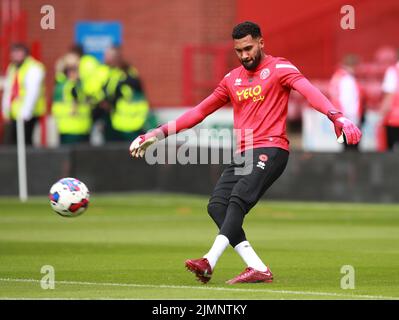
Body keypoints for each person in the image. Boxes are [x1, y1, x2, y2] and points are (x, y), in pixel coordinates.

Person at [129, 21, 362, 284]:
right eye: (239, 51)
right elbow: (199, 112)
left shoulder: (280, 68)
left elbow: (310, 91)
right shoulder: (232, 79)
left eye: (248, 48)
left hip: (271, 148)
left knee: (238, 197)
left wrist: (337, 116)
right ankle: (257, 267)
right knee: (216, 206)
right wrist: (156, 134)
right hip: (243, 153)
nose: (244, 55)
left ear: (261, 43)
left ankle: (209, 260)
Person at [99, 46, 149, 142]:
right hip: (113, 117)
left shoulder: (129, 73)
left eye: (108, 56)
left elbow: (132, 92)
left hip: (129, 119)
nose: (105, 58)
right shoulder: (106, 71)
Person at [1, 43, 46, 145]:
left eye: (19, 52)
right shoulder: (12, 67)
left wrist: (26, 112)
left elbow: (32, 92)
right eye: (14, 52)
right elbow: (9, 90)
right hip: (14, 113)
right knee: (14, 142)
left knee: (26, 141)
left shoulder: (34, 68)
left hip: (28, 114)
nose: (16, 55)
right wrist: (6, 110)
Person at [51, 53, 92, 144]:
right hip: (71, 129)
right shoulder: (67, 85)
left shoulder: (80, 84)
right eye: (72, 69)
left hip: (82, 129)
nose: (76, 72)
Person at [329, 54, 363, 151]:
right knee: (352, 148)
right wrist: (354, 120)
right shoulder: (347, 79)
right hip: (349, 118)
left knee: (346, 146)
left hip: (340, 117)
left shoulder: (337, 77)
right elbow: (349, 101)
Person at [380, 56, 399, 151]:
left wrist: (381, 114)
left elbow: (389, 95)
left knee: (391, 150)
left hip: (394, 119)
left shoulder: (393, 71)